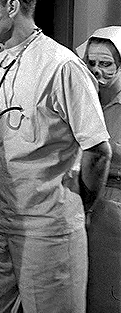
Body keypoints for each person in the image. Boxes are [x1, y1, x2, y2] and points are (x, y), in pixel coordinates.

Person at [0, 0, 112, 313]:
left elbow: (98, 150)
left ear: (12, 7)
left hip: (47, 226)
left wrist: (82, 207)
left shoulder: (61, 66)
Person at [84, 26, 121, 312]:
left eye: (106, 64)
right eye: (92, 62)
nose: (97, 70)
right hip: (86, 195)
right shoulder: (87, 98)